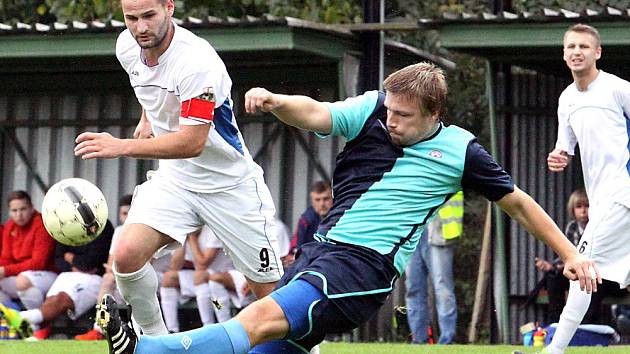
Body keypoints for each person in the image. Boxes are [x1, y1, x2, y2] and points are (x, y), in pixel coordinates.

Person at [97, 61, 599, 354]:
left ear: (434, 115)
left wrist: (570, 255)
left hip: (364, 267)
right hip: (318, 253)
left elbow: (518, 204)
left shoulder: (462, 150)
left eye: (404, 116)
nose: (391, 121)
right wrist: (276, 101)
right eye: (389, 110)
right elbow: (317, 113)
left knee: (258, 320)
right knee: (265, 347)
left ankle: (146, 347)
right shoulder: (372, 110)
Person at [73, 0, 282, 338]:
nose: (140, 27)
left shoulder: (197, 62)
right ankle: (154, 342)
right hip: (176, 180)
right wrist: (146, 117)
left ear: (169, 7)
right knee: (126, 256)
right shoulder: (127, 46)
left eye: (149, 16)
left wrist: (121, 145)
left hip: (228, 186)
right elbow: (146, 84)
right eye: (131, 18)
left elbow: (191, 142)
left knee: (272, 296)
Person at [529, 23, 630, 354]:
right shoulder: (567, 99)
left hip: (622, 195)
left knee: (579, 265)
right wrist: (557, 158)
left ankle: (554, 350)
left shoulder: (617, 89)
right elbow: (564, 149)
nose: (576, 51)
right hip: (602, 201)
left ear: (597, 52)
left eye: (584, 47)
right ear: (564, 53)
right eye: (571, 46)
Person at [0, 220, 114, 340]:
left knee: (61, 299)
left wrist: (70, 257)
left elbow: (90, 262)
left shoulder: (102, 224)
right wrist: (75, 264)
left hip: (95, 278)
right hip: (67, 274)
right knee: (52, 300)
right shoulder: (67, 223)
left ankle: (19, 317)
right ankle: (33, 329)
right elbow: (59, 258)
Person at [405, 191, 463, 344]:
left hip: (439, 230)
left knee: (443, 287)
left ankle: (447, 340)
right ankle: (418, 340)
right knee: (413, 288)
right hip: (411, 232)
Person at [75, 195, 132, 341]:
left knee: (114, 280)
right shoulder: (119, 231)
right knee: (108, 278)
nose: (127, 217)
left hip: (153, 277)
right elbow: (110, 264)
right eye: (124, 213)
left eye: (131, 213)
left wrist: (117, 269)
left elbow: (143, 263)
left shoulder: (145, 231)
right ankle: (99, 329)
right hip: (123, 276)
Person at [0, 190, 57, 337]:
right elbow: (6, 258)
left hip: (47, 275)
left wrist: (5, 271)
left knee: (23, 281)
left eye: (23, 209)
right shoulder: (10, 226)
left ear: (31, 208)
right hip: (22, 276)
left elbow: (39, 262)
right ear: (10, 212)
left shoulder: (42, 224)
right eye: (14, 210)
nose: (19, 214)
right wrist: (2, 270)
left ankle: (40, 324)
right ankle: (17, 321)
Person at [160, 226, 233, 332]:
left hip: (225, 277)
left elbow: (202, 264)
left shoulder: (212, 230)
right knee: (168, 278)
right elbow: (175, 267)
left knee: (216, 302)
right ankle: (171, 330)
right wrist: (183, 239)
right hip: (202, 279)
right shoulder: (185, 231)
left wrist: (192, 238)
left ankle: (218, 325)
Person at [533, 189, 588, 323]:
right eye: (579, 207)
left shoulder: (597, 227)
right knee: (553, 277)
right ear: (572, 210)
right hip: (576, 272)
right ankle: (555, 324)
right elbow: (567, 254)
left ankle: (587, 327)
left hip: (594, 273)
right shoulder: (572, 227)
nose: (583, 211)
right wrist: (551, 266)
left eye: (587, 206)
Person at [291, 181, 333, 251]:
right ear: (312, 201)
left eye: (326, 199)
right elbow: (297, 248)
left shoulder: (343, 217)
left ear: (333, 198)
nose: (322, 204)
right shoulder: (306, 220)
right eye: (317, 200)